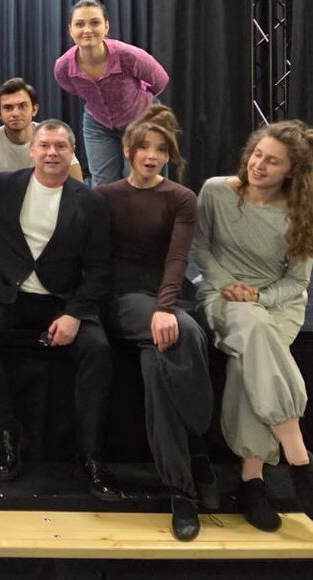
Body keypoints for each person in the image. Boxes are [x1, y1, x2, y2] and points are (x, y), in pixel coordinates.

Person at [0, 119, 117, 498]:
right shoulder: (6, 185)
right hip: (9, 295)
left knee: (97, 349)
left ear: (72, 152)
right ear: (32, 150)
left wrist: (74, 314)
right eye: (44, 145)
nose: (51, 153)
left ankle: (90, 454)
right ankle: (6, 433)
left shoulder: (92, 202)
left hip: (63, 300)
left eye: (60, 147)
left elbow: (100, 270)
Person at [193, 120, 313, 532]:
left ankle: (252, 480)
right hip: (221, 296)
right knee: (253, 331)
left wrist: (259, 297)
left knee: (247, 362)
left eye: (273, 161)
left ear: (291, 171)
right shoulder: (216, 191)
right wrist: (229, 287)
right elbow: (201, 249)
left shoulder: (300, 215)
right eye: (257, 155)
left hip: (277, 305)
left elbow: (296, 284)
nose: (259, 165)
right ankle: (299, 457)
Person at [96, 105, 215, 542]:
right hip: (124, 299)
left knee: (158, 362)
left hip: (167, 295)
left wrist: (165, 307)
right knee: (187, 332)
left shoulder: (181, 197)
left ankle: (181, 487)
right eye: (144, 147)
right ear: (128, 150)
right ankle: (198, 441)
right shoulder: (105, 196)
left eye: (161, 149)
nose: (152, 155)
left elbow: (177, 258)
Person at [53, 0, 168, 188]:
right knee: (103, 186)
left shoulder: (128, 55)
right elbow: (71, 88)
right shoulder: (63, 66)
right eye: (80, 24)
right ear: (70, 30)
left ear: (106, 26)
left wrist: (141, 103)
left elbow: (160, 80)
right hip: (98, 124)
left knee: (139, 181)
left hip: (141, 120)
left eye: (94, 23)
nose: (87, 30)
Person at [0, 77, 83, 193]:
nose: (15, 113)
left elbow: (79, 190)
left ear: (34, 109)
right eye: (8, 108)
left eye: (22, 106)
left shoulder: (55, 138)